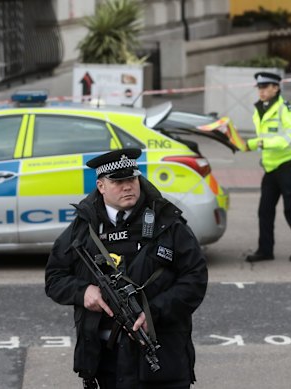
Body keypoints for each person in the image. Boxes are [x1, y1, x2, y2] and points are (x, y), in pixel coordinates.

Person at [45, 148, 208, 389]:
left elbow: (195, 279)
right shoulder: (84, 227)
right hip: (105, 360)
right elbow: (55, 278)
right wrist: (83, 292)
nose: (128, 186)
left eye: (131, 179)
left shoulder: (167, 222)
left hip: (161, 355)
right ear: (101, 186)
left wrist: (152, 313)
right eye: (118, 181)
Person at [245, 72, 291, 262]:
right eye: (260, 87)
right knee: (264, 211)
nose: (262, 91)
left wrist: (259, 144)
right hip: (270, 169)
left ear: (276, 88)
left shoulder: (288, 109)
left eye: (266, 87)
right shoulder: (260, 109)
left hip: (288, 166)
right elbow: (263, 138)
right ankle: (265, 250)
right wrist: (247, 144)